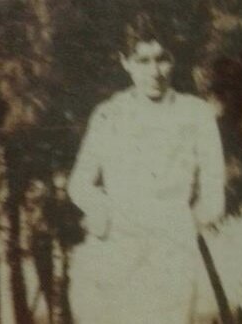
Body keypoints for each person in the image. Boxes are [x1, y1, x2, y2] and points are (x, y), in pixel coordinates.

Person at [67, 12, 226, 324]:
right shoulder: (109, 115)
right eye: (142, 61)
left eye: (162, 59)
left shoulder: (196, 115)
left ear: (173, 60)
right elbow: (79, 183)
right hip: (115, 253)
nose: (154, 71)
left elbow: (214, 196)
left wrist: (181, 226)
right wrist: (103, 215)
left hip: (171, 256)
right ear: (125, 62)